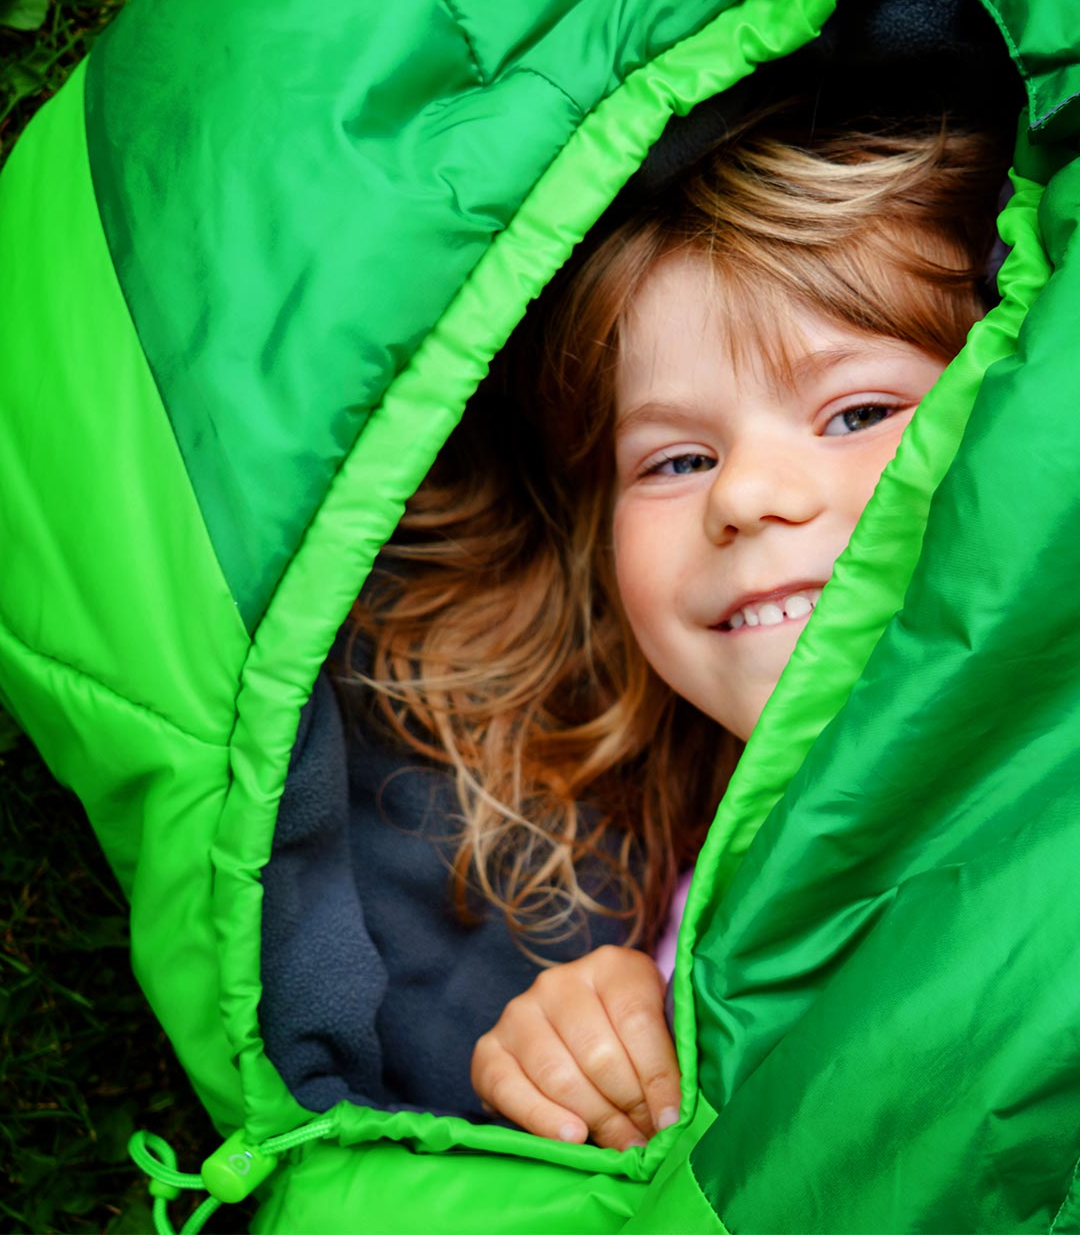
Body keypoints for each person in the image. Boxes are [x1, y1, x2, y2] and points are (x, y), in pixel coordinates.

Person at [335, 88, 1015, 1153]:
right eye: (676, 460)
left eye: (858, 413)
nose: (743, 494)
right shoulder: (707, 912)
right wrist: (590, 1038)